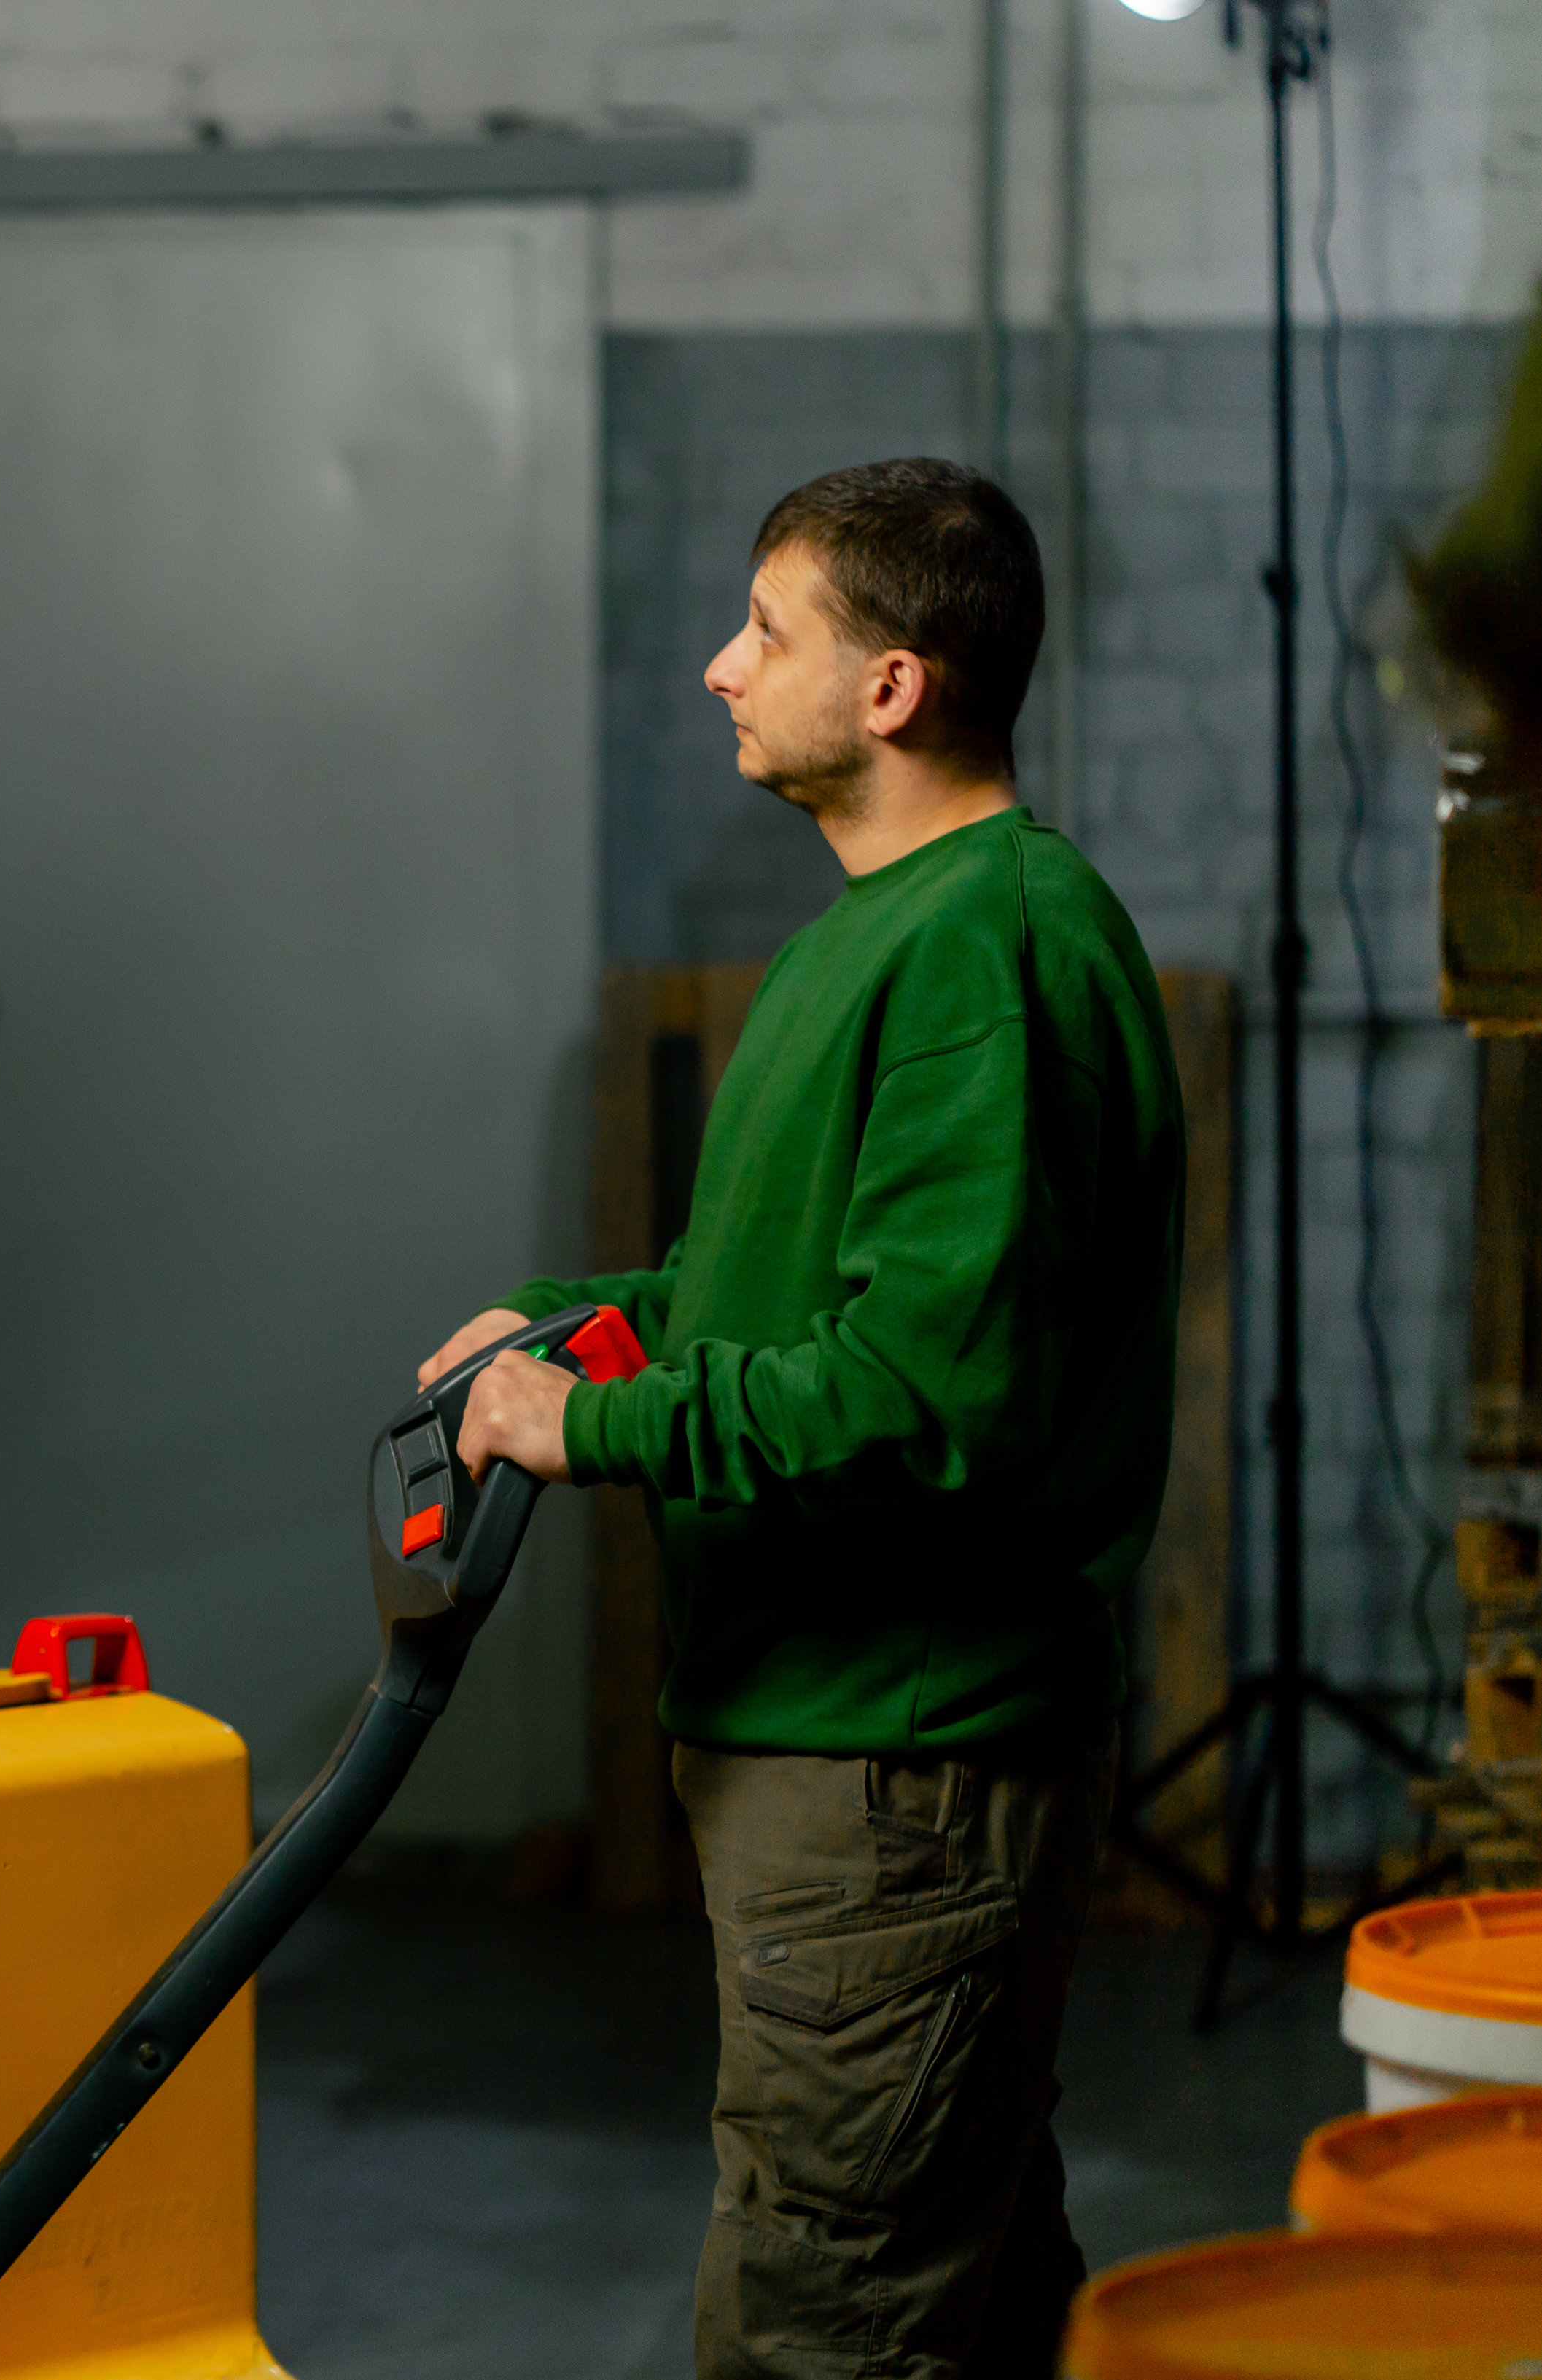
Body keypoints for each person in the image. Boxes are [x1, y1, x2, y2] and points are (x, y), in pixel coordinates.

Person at [421, 458, 1181, 2378]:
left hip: (893, 1770)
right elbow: (758, 1301)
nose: (716, 667)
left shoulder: (976, 953)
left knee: (821, 2328)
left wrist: (579, 1431)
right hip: (842, 1761)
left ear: (893, 686)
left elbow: (918, 1392)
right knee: (972, 2286)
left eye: (765, 631)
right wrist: (571, 1326)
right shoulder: (878, 933)